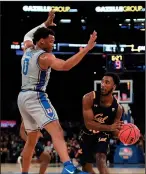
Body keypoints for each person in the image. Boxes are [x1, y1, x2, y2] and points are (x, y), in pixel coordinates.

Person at [17, 10, 97, 174]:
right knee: (57, 130)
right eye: (51, 41)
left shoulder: (27, 48)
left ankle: (24, 172)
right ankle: (68, 167)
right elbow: (66, 66)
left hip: (22, 97)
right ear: (41, 41)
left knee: (31, 139)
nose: (53, 44)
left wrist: (45, 24)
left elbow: (27, 34)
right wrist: (86, 49)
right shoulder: (45, 57)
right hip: (35, 95)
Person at [78, 72, 123, 174]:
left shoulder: (118, 109)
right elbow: (89, 123)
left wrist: (121, 134)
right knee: (86, 168)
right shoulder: (89, 98)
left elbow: (115, 132)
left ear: (114, 86)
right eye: (102, 81)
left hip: (103, 133)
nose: (103, 84)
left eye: (107, 82)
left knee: (101, 158)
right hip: (86, 133)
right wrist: (110, 128)